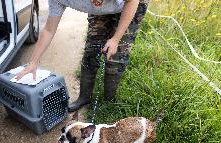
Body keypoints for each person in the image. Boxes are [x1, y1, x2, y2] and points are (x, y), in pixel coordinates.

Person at [17, 0, 149, 112]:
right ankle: (84, 97)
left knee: (116, 56)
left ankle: (109, 102)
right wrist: (33, 62)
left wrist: (115, 39)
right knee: (91, 50)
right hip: (102, 10)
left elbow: (132, 1)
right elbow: (48, 30)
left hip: (130, 4)